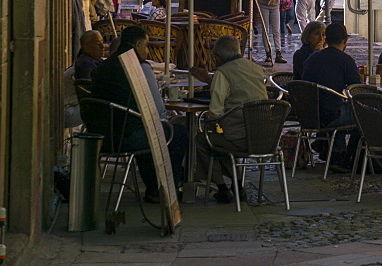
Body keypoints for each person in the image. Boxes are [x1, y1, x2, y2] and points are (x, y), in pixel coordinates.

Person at [90, 24, 188, 203]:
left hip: (103, 133)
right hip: (127, 135)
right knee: (178, 134)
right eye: (147, 46)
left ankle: (154, 188)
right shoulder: (138, 66)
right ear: (137, 45)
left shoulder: (105, 67)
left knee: (151, 130)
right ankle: (169, 188)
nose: (148, 52)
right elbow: (158, 110)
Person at [195, 35, 268, 203]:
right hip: (264, 136)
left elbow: (215, 111)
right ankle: (237, 186)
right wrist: (208, 80)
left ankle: (222, 187)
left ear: (218, 57)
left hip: (240, 138)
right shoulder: (255, 68)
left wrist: (214, 123)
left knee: (204, 140)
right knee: (220, 140)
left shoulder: (223, 72)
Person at [303, 22, 360, 171]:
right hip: (331, 114)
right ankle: (347, 157)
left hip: (309, 113)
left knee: (336, 104)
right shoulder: (346, 61)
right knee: (364, 116)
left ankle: (327, 148)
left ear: (326, 39)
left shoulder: (312, 58)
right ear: (345, 40)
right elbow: (357, 89)